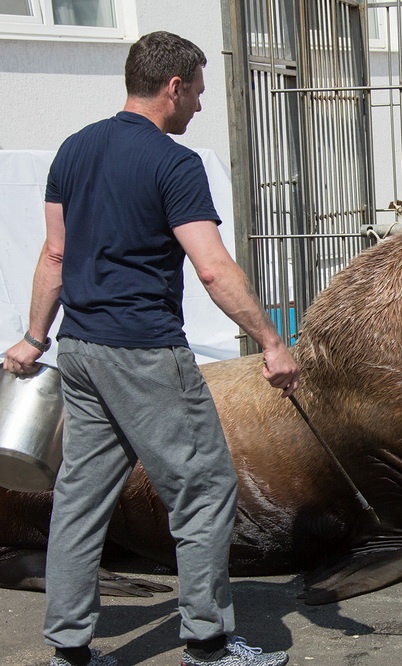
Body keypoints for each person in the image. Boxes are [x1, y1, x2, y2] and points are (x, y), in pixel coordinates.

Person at [2, 31, 299, 666]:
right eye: (195, 90)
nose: (197, 104)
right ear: (172, 86)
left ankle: (70, 651)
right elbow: (214, 270)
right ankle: (209, 641)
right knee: (204, 490)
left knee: (80, 499)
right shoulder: (174, 163)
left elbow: (55, 254)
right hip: (143, 354)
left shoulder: (74, 150)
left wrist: (34, 338)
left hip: (79, 351)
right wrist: (272, 342)